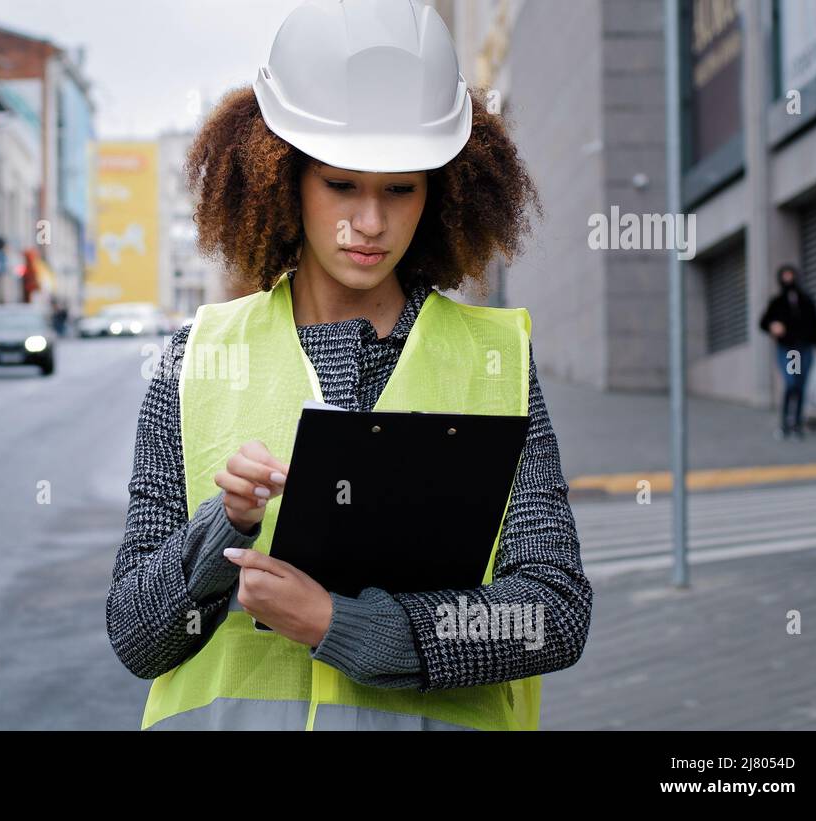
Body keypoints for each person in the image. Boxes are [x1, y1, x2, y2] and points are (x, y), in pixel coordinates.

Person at [106, 0, 593, 731]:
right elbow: (137, 637)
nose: (370, 223)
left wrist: (344, 625)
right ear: (282, 178)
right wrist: (225, 526)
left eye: (400, 188)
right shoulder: (195, 359)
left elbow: (551, 612)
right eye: (341, 185)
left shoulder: (496, 362)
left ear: (439, 190)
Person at [759, 264, 816, 439]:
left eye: (791, 275)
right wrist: (773, 326)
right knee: (792, 383)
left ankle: (797, 423)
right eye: (785, 276)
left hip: (804, 348)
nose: (789, 279)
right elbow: (763, 322)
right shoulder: (777, 302)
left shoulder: (806, 300)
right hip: (790, 350)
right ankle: (786, 423)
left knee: (801, 385)